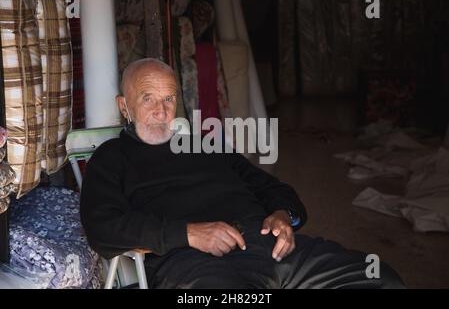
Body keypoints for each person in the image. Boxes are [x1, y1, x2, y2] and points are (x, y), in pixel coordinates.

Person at [80, 58, 405, 289]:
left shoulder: (205, 145)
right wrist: (189, 233)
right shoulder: (111, 159)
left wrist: (283, 215)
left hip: (269, 247)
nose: (161, 111)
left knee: (380, 278)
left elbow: (270, 186)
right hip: (192, 262)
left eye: (169, 98)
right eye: (147, 98)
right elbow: (103, 227)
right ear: (124, 106)